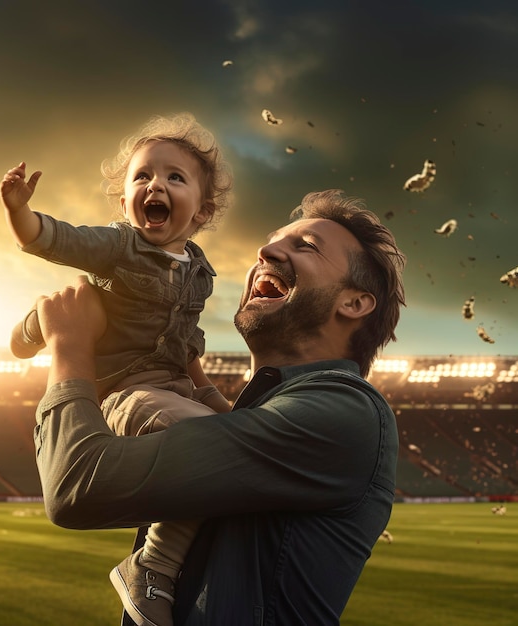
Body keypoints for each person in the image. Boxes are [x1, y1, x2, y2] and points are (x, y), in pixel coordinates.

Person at [32, 190, 406, 626]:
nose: (266, 250)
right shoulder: (252, 413)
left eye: (305, 246)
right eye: (273, 240)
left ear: (354, 302)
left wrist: (69, 347)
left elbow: (76, 486)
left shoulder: (345, 413)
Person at [0, 113, 234, 626]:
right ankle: (152, 566)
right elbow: (55, 239)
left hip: (175, 389)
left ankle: (158, 565)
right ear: (125, 201)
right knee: (207, 442)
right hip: (126, 393)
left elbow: (188, 344)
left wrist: (216, 399)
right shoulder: (118, 245)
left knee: (231, 447)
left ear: (203, 210)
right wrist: (21, 212)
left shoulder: (201, 273)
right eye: (143, 176)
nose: (157, 185)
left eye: (175, 177)